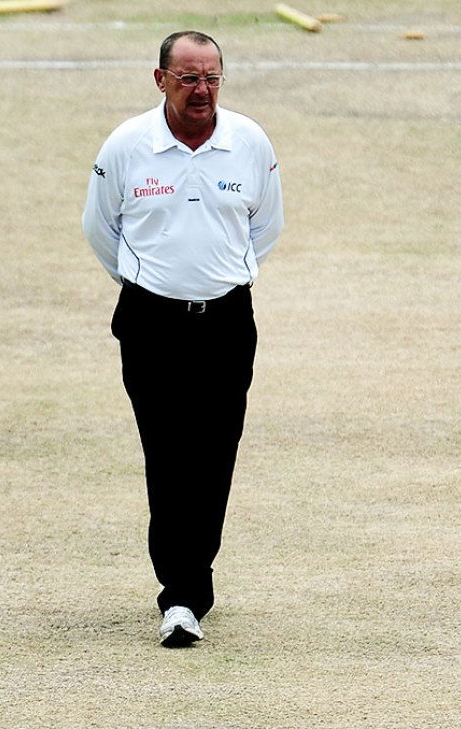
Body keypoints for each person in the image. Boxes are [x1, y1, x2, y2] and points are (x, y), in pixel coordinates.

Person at [81, 30, 284, 647]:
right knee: (168, 456)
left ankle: (192, 583)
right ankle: (183, 597)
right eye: (189, 78)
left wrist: (218, 277)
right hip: (151, 325)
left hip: (226, 322)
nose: (202, 91)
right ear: (160, 79)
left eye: (212, 78)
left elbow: (265, 226)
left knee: (214, 454)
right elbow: (100, 228)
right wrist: (151, 283)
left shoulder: (248, 142)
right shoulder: (127, 145)